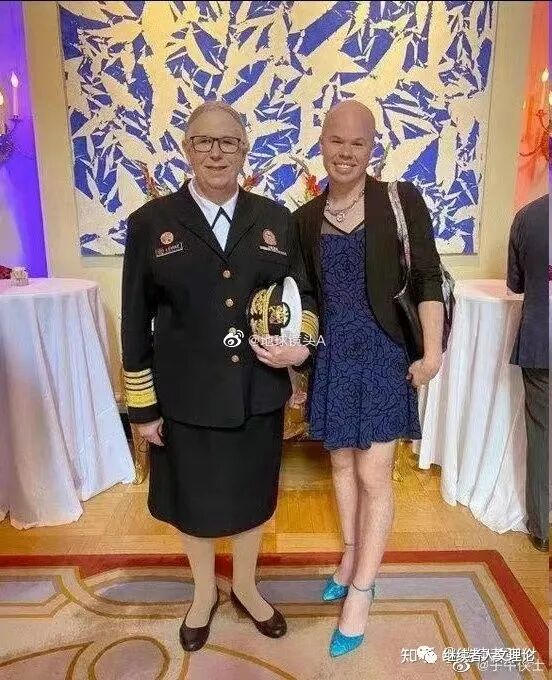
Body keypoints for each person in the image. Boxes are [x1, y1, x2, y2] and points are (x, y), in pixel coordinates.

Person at [121, 100, 317, 652]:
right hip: (185, 397)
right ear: (187, 149)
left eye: (228, 141)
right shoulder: (151, 223)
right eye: (204, 141)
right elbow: (134, 321)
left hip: (257, 393)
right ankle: (204, 592)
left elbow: (303, 297)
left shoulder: (275, 220)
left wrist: (299, 348)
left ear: (244, 149)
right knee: (194, 502)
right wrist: (143, 408)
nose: (216, 152)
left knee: (253, 498)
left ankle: (247, 588)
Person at [293, 100, 444, 657]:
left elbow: (427, 276)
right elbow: (305, 296)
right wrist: (300, 362)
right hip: (333, 357)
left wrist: (433, 353)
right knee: (339, 463)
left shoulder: (399, 201)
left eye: (357, 143)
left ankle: (362, 589)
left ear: (372, 148)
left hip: (384, 354)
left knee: (373, 472)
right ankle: (352, 554)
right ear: (322, 144)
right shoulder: (305, 218)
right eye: (336, 140)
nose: (346, 152)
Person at [507, 194, 549, 552]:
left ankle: (541, 528)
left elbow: (515, 284)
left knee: (541, 434)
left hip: (541, 342)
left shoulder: (528, 217)